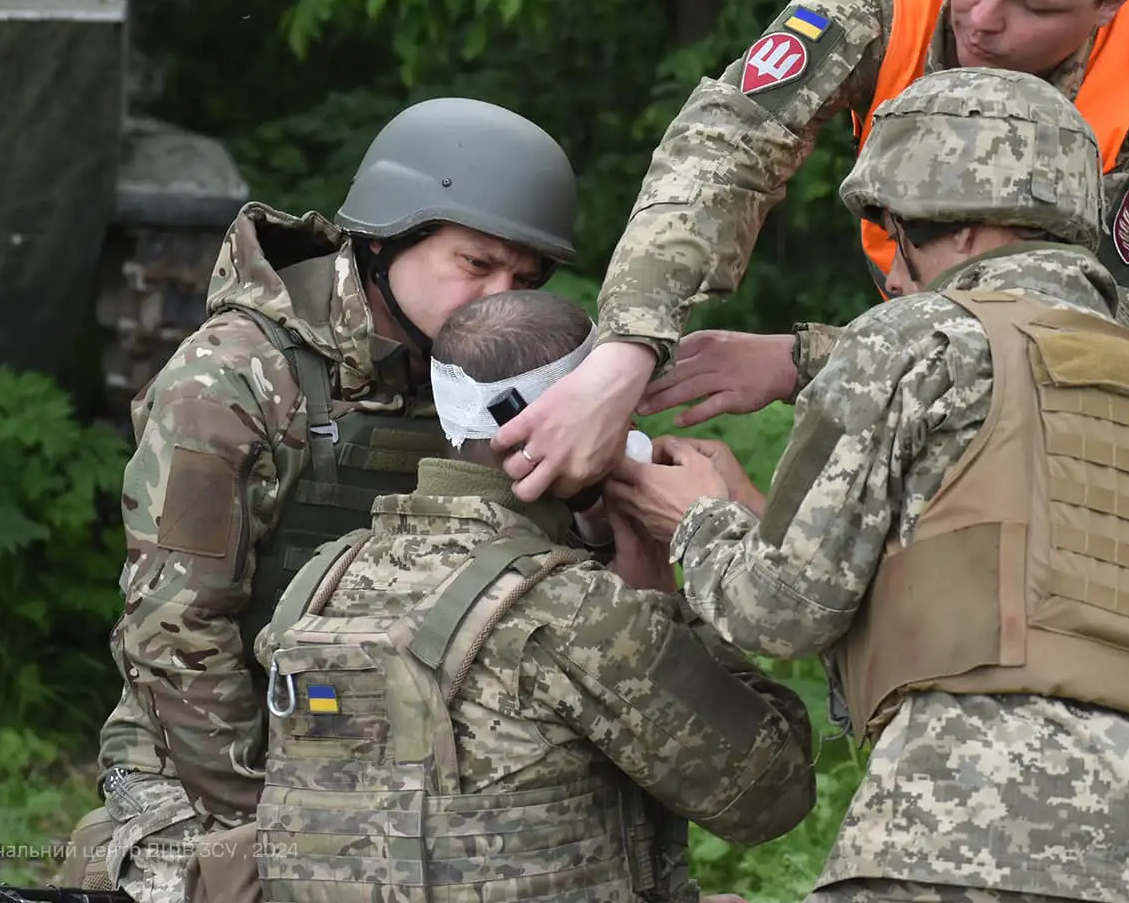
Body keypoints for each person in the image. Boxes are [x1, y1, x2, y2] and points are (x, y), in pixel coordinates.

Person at [495, 0, 1129, 900]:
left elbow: (1071, 334)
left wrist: (803, 365)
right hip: (955, 318)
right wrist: (624, 346)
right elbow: (728, 147)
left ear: (1109, 4)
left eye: (1029, 5)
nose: (981, 16)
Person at [608, 68, 1129, 903]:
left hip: (955, 838)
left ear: (969, 233)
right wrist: (756, 517)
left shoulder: (918, 338)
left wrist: (696, 521)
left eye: (895, 233)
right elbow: (1007, 606)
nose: (894, 274)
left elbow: (777, 609)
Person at [60, 97, 590, 903]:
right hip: (219, 754)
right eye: (475, 266)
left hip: (415, 749)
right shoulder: (233, 380)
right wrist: (275, 821)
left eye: (525, 277)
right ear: (384, 240)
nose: (498, 298)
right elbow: (176, 632)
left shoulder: (500, 383)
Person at [247, 288, 816, 903]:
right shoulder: (577, 614)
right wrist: (667, 588)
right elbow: (771, 792)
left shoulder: (319, 583)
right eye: (616, 414)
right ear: (571, 426)